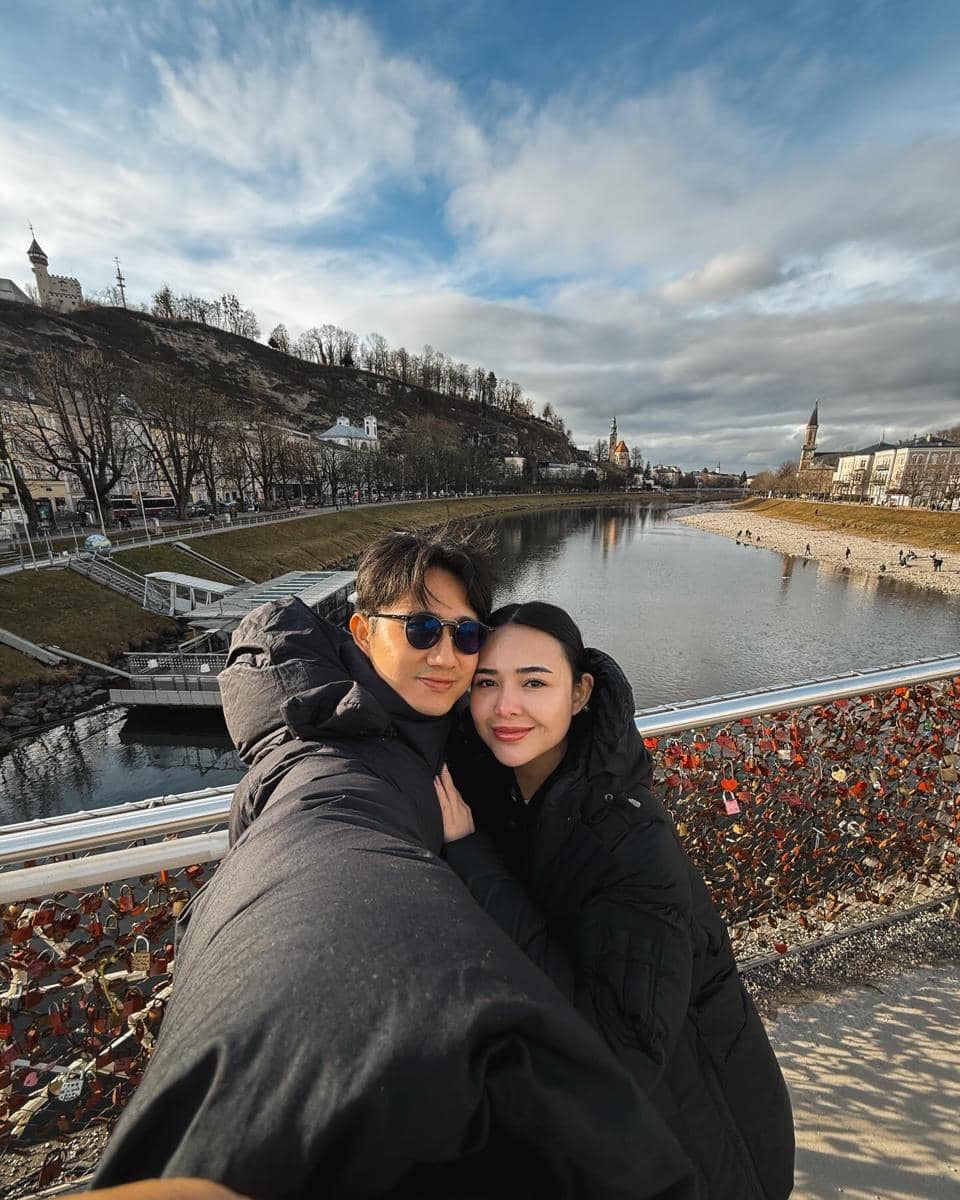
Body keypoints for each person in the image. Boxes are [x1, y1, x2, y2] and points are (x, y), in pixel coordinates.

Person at [93, 531, 695, 1200]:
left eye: (467, 636)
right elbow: (328, 834)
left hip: (708, 1125)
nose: (447, 656)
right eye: (422, 629)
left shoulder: (467, 750)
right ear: (361, 629)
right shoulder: (344, 755)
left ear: (579, 693)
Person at [439, 602, 795, 1200]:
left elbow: (618, 1054)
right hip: (638, 1139)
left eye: (534, 682)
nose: (505, 707)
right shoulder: (511, 794)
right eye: (486, 683)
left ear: (580, 693)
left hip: (701, 1143)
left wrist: (473, 861)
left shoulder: (628, 839)